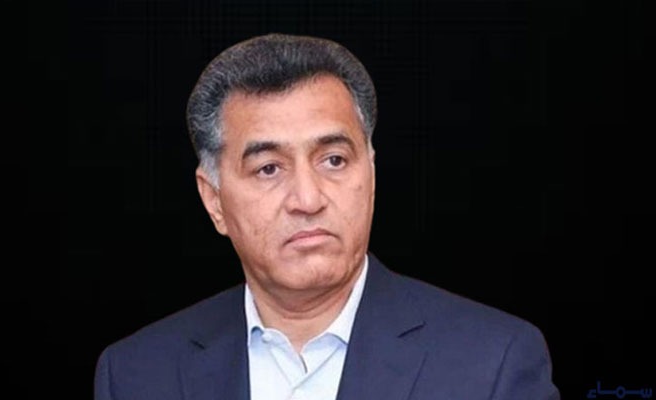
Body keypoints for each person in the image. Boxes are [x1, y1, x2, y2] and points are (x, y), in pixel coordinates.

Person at [94, 33, 560, 400]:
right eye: (269, 168)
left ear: (371, 174)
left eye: (333, 160)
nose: (307, 198)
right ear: (214, 200)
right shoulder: (136, 374)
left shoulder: (492, 363)